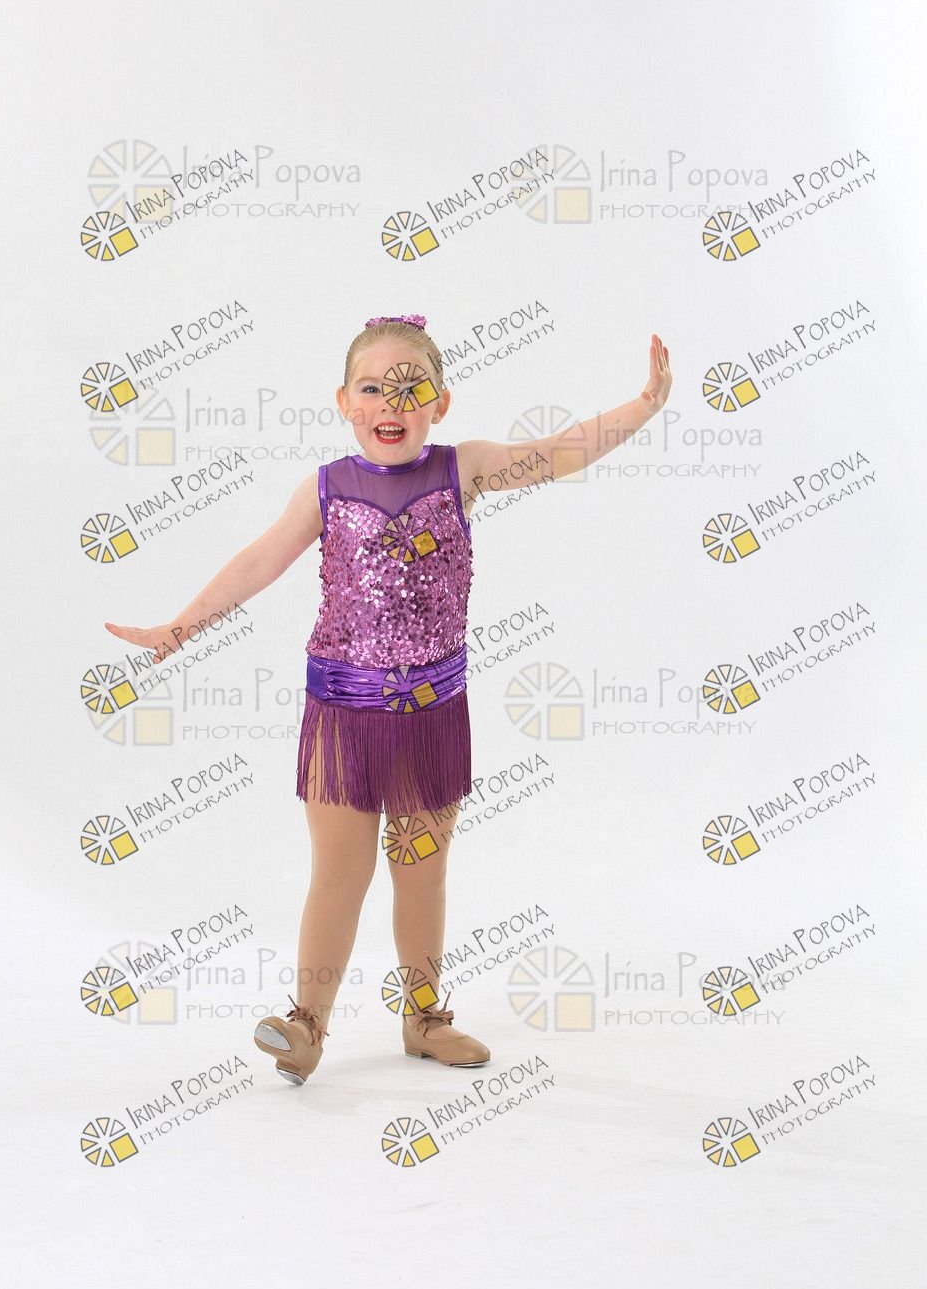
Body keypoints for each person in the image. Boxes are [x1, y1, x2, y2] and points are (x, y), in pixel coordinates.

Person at [105, 314, 672, 1085]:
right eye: (372, 388)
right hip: (343, 714)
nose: (391, 403)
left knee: (421, 871)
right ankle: (306, 1026)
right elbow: (259, 561)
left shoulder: (463, 470)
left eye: (412, 387)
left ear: (441, 402)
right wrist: (180, 627)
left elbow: (556, 454)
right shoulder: (327, 488)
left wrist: (642, 405)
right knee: (340, 874)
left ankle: (425, 1018)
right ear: (344, 402)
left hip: (433, 714)